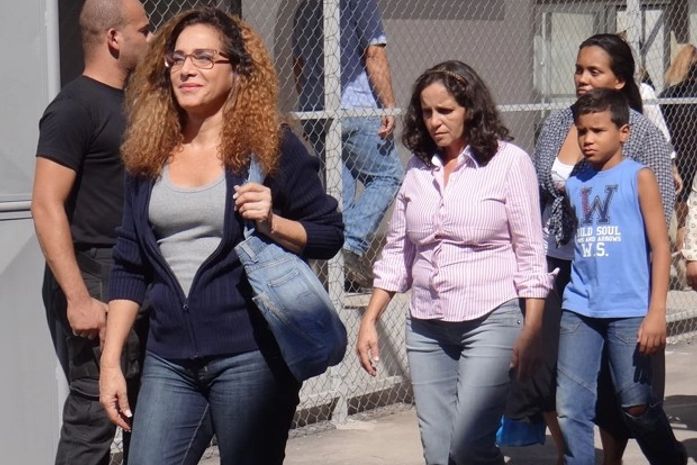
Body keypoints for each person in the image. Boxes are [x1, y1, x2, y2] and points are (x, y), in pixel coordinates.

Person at [98, 8, 343, 465]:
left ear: (237, 71)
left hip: (251, 355)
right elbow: (130, 261)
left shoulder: (269, 147)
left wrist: (273, 222)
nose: (187, 69)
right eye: (177, 58)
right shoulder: (147, 152)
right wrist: (110, 362)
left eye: (205, 58)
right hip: (168, 356)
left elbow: (328, 233)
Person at [356, 60, 553, 465]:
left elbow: (531, 252)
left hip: (491, 318)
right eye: (427, 111)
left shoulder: (509, 162)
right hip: (427, 327)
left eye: (445, 110)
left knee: (468, 446)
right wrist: (370, 319)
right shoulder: (418, 168)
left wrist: (532, 328)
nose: (435, 121)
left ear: (470, 109)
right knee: (437, 451)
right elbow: (397, 251)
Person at [519, 33, 675, 465]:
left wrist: (655, 306)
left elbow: (657, 231)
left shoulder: (640, 148)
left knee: (632, 398)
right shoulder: (561, 131)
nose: (582, 78)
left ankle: (652, 457)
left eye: (594, 70)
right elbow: (542, 191)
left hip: (625, 289)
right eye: (578, 69)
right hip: (570, 282)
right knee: (563, 394)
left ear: (619, 80)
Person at [30, 1, 151, 463]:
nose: (152, 37)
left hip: (133, 272)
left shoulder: (130, 103)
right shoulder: (74, 107)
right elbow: (46, 204)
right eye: (143, 30)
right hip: (96, 275)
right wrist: (78, 298)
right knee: (94, 411)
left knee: (145, 410)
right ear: (114, 39)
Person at [556, 87, 686, 465]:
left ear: (623, 132)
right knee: (571, 406)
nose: (588, 139)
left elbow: (660, 247)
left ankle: (670, 458)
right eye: (582, 131)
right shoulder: (576, 182)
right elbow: (556, 177)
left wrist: (656, 311)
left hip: (629, 309)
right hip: (580, 307)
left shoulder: (639, 177)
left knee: (636, 405)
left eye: (598, 130)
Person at [292, 0, 404, 287]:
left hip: (315, 106)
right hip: (354, 106)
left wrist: (309, 106)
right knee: (388, 175)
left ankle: (338, 274)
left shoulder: (305, 7)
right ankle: (350, 245)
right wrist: (389, 105)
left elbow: (299, 64)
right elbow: (373, 53)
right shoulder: (359, 2)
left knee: (339, 189)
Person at [660, 45, 697, 253]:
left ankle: (682, 258)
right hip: (689, 160)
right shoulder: (672, 95)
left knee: (683, 219)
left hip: (679, 161)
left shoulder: (669, 95)